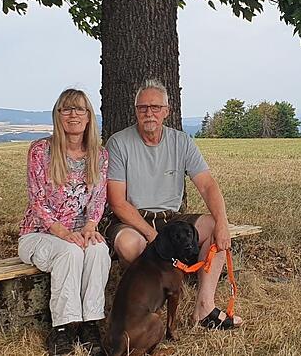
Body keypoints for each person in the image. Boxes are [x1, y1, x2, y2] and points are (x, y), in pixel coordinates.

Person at [103, 79, 243, 330]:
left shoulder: (182, 142)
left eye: (156, 107)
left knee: (214, 225)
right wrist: (152, 236)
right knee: (129, 243)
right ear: (135, 110)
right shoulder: (118, 143)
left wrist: (223, 224)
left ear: (167, 111)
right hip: (131, 219)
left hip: (170, 219)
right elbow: (117, 202)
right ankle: (146, 302)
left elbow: (208, 185)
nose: (149, 113)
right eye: (143, 107)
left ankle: (204, 307)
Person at [17, 88, 110, 356]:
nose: (73, 114)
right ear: (58, 115)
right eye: (67, 109)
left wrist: (91, 225)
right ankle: (63, 329)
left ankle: (90, 324)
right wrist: (63, 232)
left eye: (80, 109)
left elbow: (98, 198)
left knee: (98, 250)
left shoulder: (99, 155)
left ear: (89, 116)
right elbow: (37, 201)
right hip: (38, 234)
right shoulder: (40, 151)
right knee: (70, 251)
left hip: (80, 232)